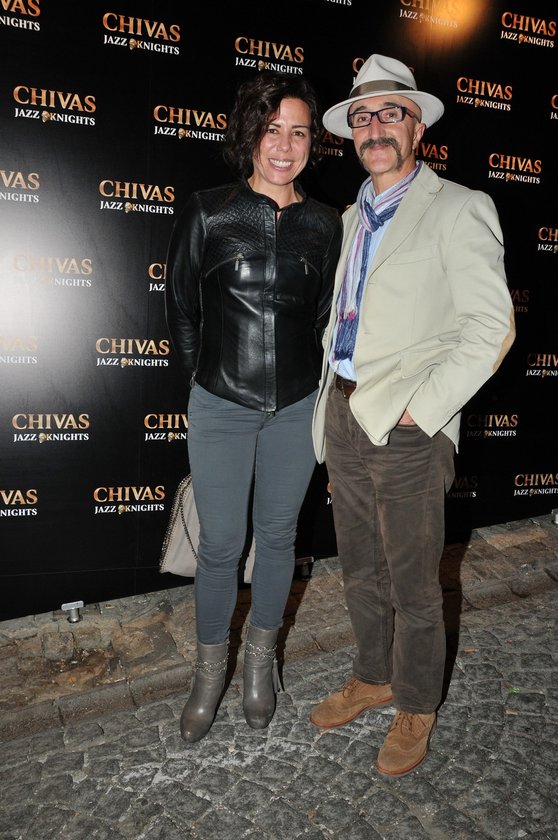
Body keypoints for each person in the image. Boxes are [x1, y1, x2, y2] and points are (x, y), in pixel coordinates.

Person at [309, 54, 515, 775]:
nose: (375, 128)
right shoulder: (346, 219)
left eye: (390, 114)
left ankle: (417, 703)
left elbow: (490, 328)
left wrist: (421, 412)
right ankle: (373, 676)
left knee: (413, 582)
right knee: (358, 568)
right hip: (343, 415)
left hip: (407, 429)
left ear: (418, 126)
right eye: (362, 117)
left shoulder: (460, 208)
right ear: (351, 134)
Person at [165, 70, 343, 743]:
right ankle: (209, 673)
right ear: (250, 134)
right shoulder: (208, 210)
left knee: (277, 539)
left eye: (299, 132)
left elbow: (326, 319)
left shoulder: (325, 224)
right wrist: (201, 385)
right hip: (221, 403)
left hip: (296, 407)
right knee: (219, 546)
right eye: (272, 130)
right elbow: (181, 308)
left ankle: (260, 665)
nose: (285, 145)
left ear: (312, 143)